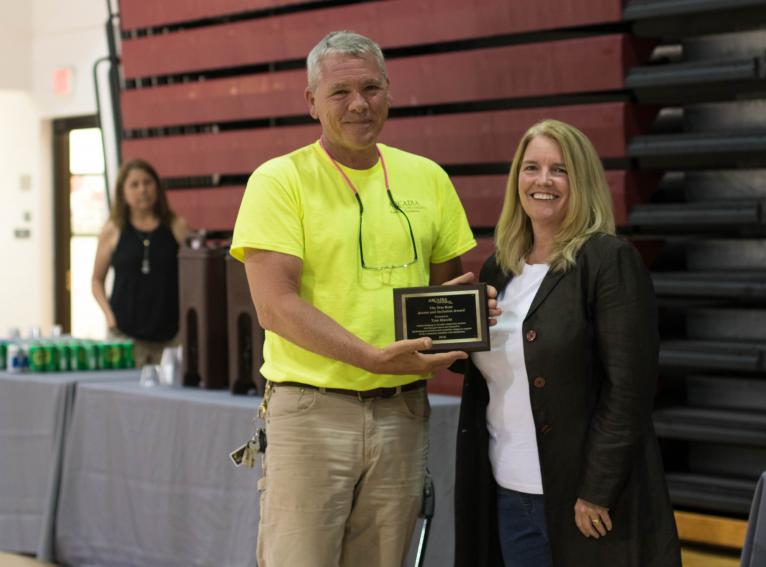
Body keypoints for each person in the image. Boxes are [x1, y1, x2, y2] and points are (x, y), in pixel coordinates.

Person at [229, 31, 490, 567]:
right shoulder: (279, 181)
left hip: (402, 411)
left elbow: (445, 293)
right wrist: (371, 357)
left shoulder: (429, 177)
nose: (358, 104)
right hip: (310, 412)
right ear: (311, 102)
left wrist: (472, 311)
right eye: (340, 92)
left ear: (389, 92)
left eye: (371, 87)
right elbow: (275, 306)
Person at [453, 119, 681, 567]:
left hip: (581, 502)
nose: (542, 181)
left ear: (583, 182)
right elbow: (497, 370)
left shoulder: (609, 260)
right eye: (531, 167)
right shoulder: (498, 269)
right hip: (507, 491)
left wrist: (597, 491)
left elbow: (629, 390)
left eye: (559, 170)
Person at [92, 159, 191, 367]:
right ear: (123, 193)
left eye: (147, 183)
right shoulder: (112, 229)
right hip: (124, 336)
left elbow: (193, 279)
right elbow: (96, 280)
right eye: (134, 185)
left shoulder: (177, 226)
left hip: (170, 337)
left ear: (157, 187)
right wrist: (109, 317)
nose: (142, 190)